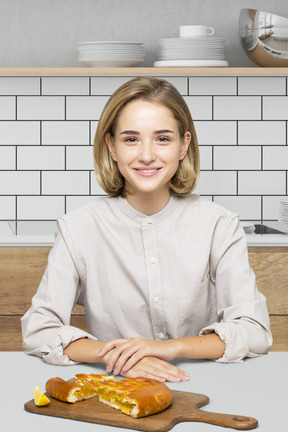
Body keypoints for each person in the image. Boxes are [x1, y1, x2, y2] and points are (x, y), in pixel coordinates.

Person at [21, 77, 272, 383]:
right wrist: (121, 358)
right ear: (111, 146)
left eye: (163, 138)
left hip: (201, 381)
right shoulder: (79, 228)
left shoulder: (219, 224)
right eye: (131, 139)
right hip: (116, 385)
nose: (147, 155)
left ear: (184, 145)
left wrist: (166, 348)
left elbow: (254, 331)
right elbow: (39, 329)